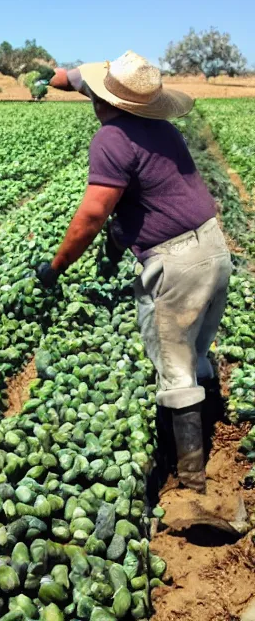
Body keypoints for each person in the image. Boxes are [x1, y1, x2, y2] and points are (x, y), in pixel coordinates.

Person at [34, 51, 232, 494]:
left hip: (176, 265)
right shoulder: (162, 130)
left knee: (174, 367)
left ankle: (192, 482)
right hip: (214, 251)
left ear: (104, 100)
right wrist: (53, 76)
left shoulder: (111, 138)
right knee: (197, 351)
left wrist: (55, 267)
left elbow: (93, 213)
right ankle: (212, 417)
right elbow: (148, 201)